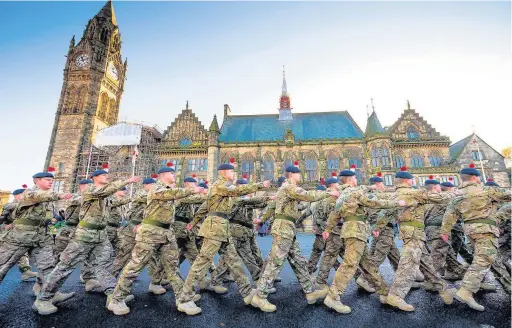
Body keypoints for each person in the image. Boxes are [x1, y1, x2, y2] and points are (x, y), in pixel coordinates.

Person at [34, 165, 139, 315]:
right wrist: (127, 181)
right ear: (94, 178)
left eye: (106, 175)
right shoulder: (90, 190)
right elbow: (106, 190)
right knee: (65, 266)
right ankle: (44, 298)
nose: (106, 177)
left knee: (104, 265)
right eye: (103, 175)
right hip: (84, 235)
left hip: (101, 235)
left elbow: (114, 200)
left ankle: (114, 297)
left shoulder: (106, 196)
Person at [178, 158, 270, 315]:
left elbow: (204, 206)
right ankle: (184, 299)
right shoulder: (221, 185)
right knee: (202, 262)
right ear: (224, 172)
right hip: (215, 229)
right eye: (232, 171)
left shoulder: (220, 188)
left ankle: (248, 294)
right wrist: (260, 185)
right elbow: (236, 191)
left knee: (234, 262)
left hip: (223, 228)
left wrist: (193, 222)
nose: (234, 174)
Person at [108, 162, 203, 315]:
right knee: (135, 266)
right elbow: (170, 195)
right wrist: (190, 190)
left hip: (166, 233)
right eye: (172, 173)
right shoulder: (156, 188)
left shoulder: (170, 190)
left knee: (173, 267)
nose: (174, 175)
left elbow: (179, 199)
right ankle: (117, 299)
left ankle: (183, 300)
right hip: (150, 233)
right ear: (163, 175)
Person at [251, 163, 337, 313]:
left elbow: (272, 206)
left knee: (299, 261)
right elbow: (308, 195)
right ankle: (260, 296)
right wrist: (329, 192)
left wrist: (261, 220)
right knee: (275, 263)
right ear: (291, 174)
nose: (300, 176)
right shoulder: (288, 186)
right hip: (284, 227)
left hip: (288, 228)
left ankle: (310, 292)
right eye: (298, 174)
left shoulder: (283, 189)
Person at [321, 167, 405, 314]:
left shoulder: (341, 195)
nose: (356, 180)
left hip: (352, 231)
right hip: (356, 231)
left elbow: (335, 215)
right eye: (355, 178)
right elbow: (373, 203)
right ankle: (333, 297)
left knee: (368, 264)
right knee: (350, 264)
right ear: (351, 179)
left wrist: (328, 229)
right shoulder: (354, 192)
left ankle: (384, 292)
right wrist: (397, 203)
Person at [441, 164, 510, 311]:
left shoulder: (457, 194)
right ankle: (466, 291)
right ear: (474, 177)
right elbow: (508, 195)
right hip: (486, 229)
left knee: (479, 259)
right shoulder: (486, 189)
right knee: (484, 259)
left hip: (470, 231)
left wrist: (445, 231)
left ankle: (462, 289)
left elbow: (449, 215)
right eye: (478, 176)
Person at [385, 167, 455, 312]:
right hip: (414, 232)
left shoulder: (394, 194)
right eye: (412, 179)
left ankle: (442, 288)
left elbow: (386, 213)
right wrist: (457, 193)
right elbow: (440, 197)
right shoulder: (413, 193)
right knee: (409, 263)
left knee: (426, 262)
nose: (413, 181)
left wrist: (378, 227)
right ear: (406, 180)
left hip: (409, 231)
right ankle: (395, 295)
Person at [0, 168, 73, 304]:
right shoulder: (30, 193)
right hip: (21, 236)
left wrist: (59, 217)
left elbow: (49, 216)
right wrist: (60, 195)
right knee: (3, 265)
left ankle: (47, 296)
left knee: (48, 267)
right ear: (37, 181)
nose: (51, 182)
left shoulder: (49, 198)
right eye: (47, 180)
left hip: (41, 237)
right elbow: (40, 197)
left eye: (52, 180)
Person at [0, 186, 38, 282]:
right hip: (7, 234)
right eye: (24, 194)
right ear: (17, 196)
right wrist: (6, 226)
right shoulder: (10, 206)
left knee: (22, 252)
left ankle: (26, 271)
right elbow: (2, 221)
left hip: (20, 235)